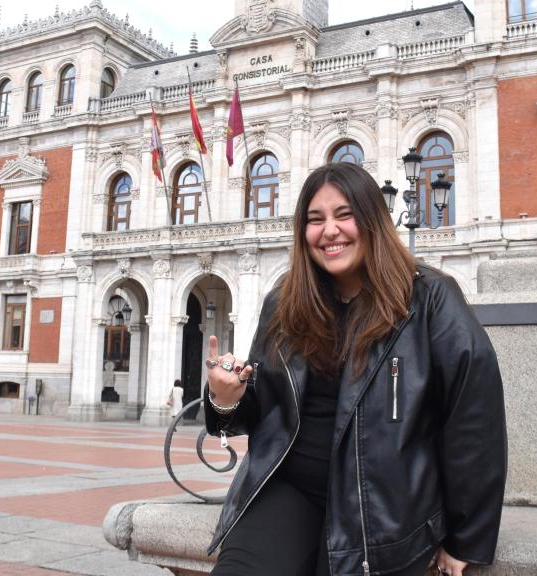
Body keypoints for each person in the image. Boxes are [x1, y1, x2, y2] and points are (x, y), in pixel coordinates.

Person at [203, 163, 507, 576]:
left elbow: (474, 418)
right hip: (290, 491)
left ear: (372, 220)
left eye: (344, 215)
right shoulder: (284, 301)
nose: (329, 231)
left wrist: (467, 537)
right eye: (315, 220)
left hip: (384, 510)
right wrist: (225, 397)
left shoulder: (430, 298)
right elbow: (262, 407)